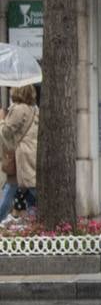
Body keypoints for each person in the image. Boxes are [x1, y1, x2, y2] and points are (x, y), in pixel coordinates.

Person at [0, 85, 40, 221]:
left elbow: (5, 132)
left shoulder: (18, 109)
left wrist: (1, 120)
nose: (11, 90)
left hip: (22, 158)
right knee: (13, 189)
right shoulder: (34, 109)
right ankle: (37, 218)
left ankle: (44, 218)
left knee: (31, 190)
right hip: (29, 155)